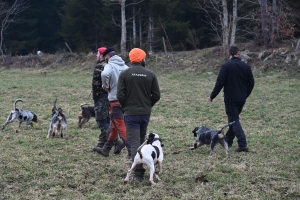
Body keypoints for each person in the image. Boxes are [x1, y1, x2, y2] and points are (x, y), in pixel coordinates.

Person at [117, 48, 160, 182]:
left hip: (131, 114)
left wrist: (126, 107)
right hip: (145, 113)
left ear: (131, 59)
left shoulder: (124, 74)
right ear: (142, 59)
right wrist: (148, 105)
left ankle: (138, 173)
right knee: (141, 140)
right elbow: (156, 95)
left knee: (135, 143)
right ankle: (140, 168)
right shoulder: (150, 74)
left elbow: (120, 95)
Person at [209, 45, 254, 152]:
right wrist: (245, 94)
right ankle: (228, 141)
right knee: (233, 120)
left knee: (234, 121)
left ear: (229, 54)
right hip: (241, 99)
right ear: (238, 53)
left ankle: (242, 144)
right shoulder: (246, 66)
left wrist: (212, 96)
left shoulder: (226, 66)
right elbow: (251, 83)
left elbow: (220, 83)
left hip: (230, 99)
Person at [94, 47, 131, 157]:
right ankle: (106, 148)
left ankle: (131, 151)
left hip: (115, 100)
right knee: (113, 125)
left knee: (120, 126)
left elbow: (104, 75)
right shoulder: (125, 66)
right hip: (125, 100)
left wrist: (106, 86)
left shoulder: (109, 65)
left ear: (106, 56)